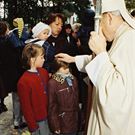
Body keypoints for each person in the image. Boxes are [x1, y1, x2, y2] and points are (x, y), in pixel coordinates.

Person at [55, 0, 135, 134]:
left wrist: (101, 52)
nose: (99, 30)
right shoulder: (123, 36)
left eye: (100, 22)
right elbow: (108, 63)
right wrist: (73, 59)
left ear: (109, 18)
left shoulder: (130, 40)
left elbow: (118, 98)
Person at [17, 44, 50, 135]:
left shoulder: (44, 72)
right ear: (32, 59)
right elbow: (26, 106)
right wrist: (32, 125)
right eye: (42, 57)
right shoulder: (23, 81)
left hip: (49, 115)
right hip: (37, 120)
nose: (44, 59)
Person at [47, 58, 79, 135]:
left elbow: (76, 99)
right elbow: (52, 106)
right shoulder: (53, 83)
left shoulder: (73, 79)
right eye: (64, 68)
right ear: (57, 68)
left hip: (75, 118)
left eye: (67, 67)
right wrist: (55, 125)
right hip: (63, 120)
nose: (67, 70)